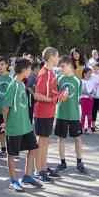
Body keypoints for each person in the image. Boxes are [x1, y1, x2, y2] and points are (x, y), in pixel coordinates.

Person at [1, 58, 42, 192]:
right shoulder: (13, 85)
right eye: (29, 69)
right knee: (12, 154)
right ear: (24, 70)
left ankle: (27, 176)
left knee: (33, 149)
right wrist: (5, 123)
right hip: (14, 127)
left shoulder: (21, 84)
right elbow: (6, 107)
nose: (30, 72)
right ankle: (13, 180)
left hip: (25, 126)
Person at [33, 47, 68, 182]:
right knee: (41, 142)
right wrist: (54, 99)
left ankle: (44, 167)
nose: (58, 59)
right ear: (50, 58)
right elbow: (37, 94)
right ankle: (38, 171)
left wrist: (60, 95)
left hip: (49, 111)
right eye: (57, 56)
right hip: (42, 112)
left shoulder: (52, 73)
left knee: (46, 141)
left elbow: (51, 93)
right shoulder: (44, 73)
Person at [54, 56, 88, 174]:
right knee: (61, 139)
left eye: (62, 66)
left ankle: (79, 163)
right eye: (60, 66)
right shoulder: (58, 79)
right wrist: (60, 96)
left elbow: (77, 97)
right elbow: (56, 96)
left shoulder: (78, 80)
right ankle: (63, 163)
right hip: (61, 114)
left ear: (69, 65)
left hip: (74, 115)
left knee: (77, 139)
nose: (60, 69)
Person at [80, 67, 95, 134]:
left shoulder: (91, 81)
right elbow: (81, 91)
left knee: (89, 113)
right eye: (89, 73)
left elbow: (93, 90)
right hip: (83, 99)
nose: (90, 74)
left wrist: (91, 93)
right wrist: (88, 94)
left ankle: (89, 128)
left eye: (91, 73)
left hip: (90, 99)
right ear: (84, 74)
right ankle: (82, 127)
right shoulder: (81, 81)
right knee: (83, 113)